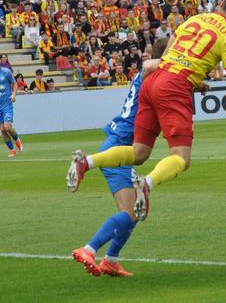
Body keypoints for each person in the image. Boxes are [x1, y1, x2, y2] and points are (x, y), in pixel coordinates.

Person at [67, 0, 226, 222]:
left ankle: (88, 161)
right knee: (181, 158)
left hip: (154, 80)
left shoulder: (193, 19)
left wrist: (192, 79)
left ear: (222, 1)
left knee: (139, 153)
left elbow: (167, 58)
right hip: (174, 88)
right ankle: (146, 183)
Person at [70, 39, 169, 277]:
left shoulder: (149, 76)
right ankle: (89, 249)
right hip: (121, 148)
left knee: (137, 210)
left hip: (122, 145)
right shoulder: (152, 75)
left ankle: (111, 260)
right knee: (130, 212)